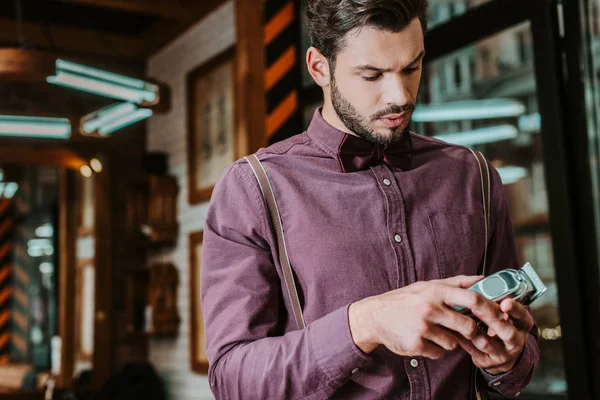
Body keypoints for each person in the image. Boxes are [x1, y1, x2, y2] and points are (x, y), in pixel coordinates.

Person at [201, 0, 540, 398]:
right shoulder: (252, 188)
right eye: (372, 74)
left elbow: (521, 349)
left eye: (411, 68)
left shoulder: (474, 175)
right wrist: (365, 323)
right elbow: (232, 380)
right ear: (319, 68)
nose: (398, 96)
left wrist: (508, 359)